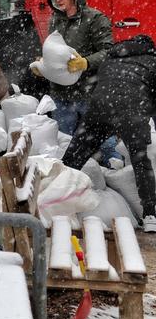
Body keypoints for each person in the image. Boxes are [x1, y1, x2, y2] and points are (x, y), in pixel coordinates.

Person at [61, 35, 156, 232]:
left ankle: (56, 196)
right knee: (141, 162)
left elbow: (101, 86)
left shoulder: (110, 58)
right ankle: (150, 215)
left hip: (100, 108)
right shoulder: (152, 61)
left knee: (74, 157)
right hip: (132, 111)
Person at [32, 0, 121, 167]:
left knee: (103, 140)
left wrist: (85, 63)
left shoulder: (95, 19)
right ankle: (72, 175)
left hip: (90, 92)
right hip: (61, 94)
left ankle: (115, 170)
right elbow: (53, 50)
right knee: (66, 142)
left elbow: (109, 51)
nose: (58, 0)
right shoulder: (56, 20)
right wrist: (44, 66)